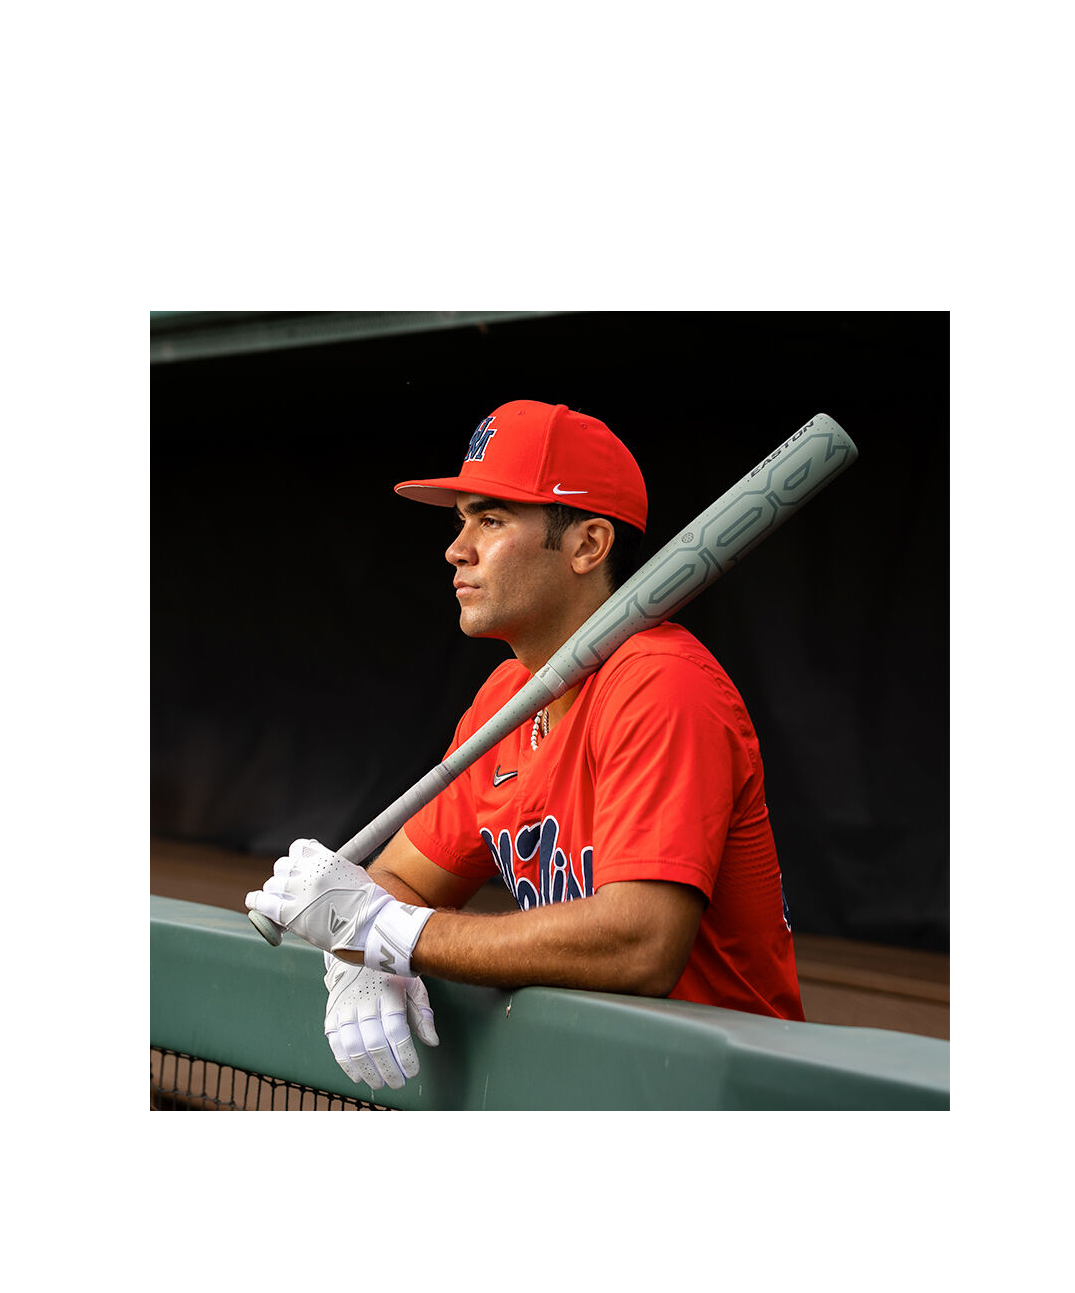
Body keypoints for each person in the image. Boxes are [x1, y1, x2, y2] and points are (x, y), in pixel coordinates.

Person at [246, 400, 804, 1091]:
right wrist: (365, 959)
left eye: (491, 520)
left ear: (588, 545)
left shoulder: (663, 684)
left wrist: (397, 936)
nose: (457, 549)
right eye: (461, 521)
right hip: (593, 1082)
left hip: (719, 1094)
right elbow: (399, 882)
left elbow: (641, 944)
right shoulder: (508, 698)